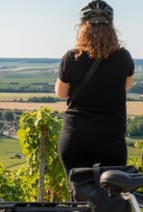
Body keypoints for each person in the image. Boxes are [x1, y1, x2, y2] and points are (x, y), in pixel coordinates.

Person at [55, 0, 134, 173]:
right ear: (111, 28)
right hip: (111, 138)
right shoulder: (123, 57)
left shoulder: (71, 57)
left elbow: (61, 93)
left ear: (83, 27)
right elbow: (126, 86)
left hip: (76, 136)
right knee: (112, 194)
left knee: (79, 195)